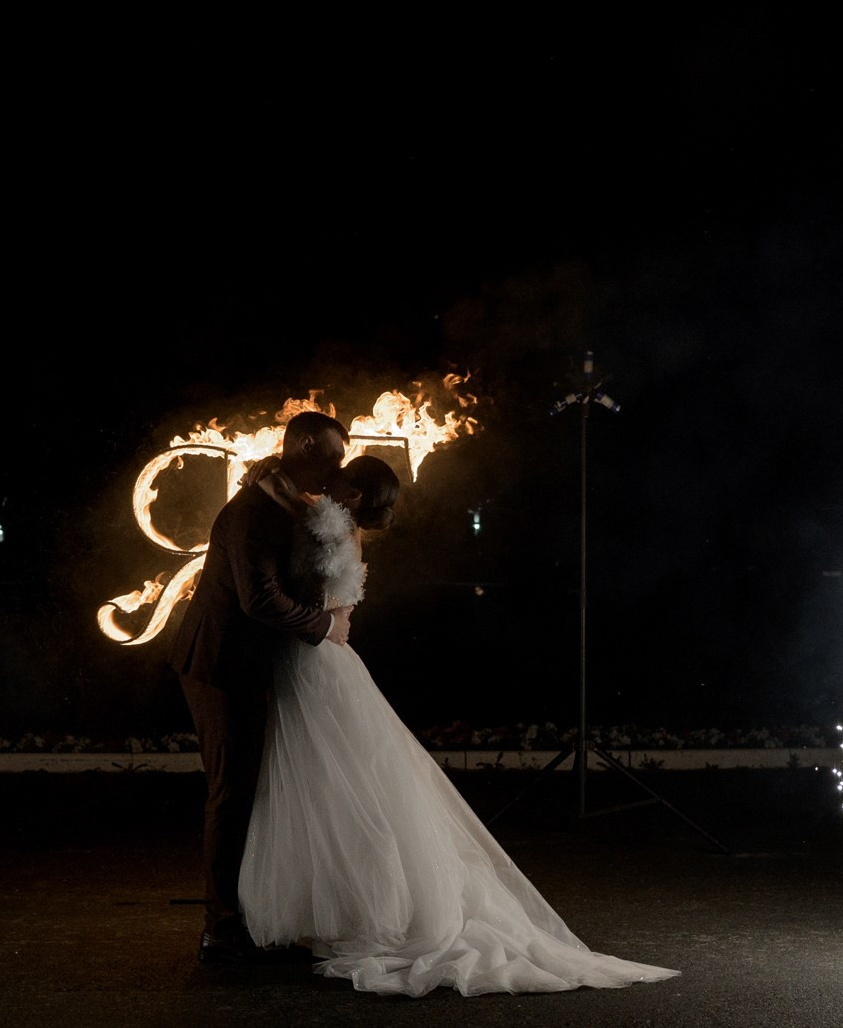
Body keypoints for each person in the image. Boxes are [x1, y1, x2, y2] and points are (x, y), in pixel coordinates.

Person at [237, 453, 682, 996]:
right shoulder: (342, 528)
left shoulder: (330, 526)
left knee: (334, 778)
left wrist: (266, 477)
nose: (328, 479)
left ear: (352, 496)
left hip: (312, 659)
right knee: (334, 778)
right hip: (319, 656)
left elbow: (292, 508)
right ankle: (338, 904)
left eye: (340, 476)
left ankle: (359, 909)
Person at [167, 409, 352, 965]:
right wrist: (325, 626)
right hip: (220, 664)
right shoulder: (255, 511)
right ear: (306, 446)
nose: (338, 467)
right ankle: (220, 930)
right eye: (334, 455)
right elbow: (259, 600)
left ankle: (243, 917)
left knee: (247, 789)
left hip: (243, 662)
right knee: (231, 792)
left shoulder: (278, 503)